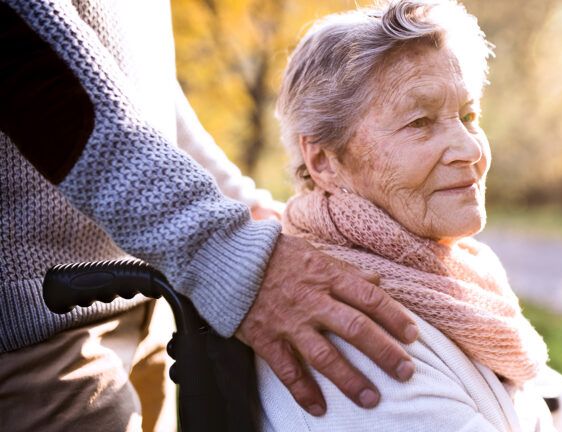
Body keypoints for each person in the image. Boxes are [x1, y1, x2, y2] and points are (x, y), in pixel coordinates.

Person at [0, 0, 420, 430]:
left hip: (153, 302)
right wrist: (214, 243)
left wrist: (235, 200)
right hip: (37, 331)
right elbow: (31, 56)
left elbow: (130, 80)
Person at [257, 1, 562, 431]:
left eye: (468, 115)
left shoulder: (438, 278)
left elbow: (534, 395)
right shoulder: (352, 331)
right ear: (324, 160)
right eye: (420, 122)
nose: (472, 149)